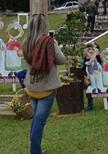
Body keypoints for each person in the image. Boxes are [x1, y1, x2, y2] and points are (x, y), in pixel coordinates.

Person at [23, 14, 67, 154]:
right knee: (39, 122)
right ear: (44, 27)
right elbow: (62, 60)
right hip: (46, 87)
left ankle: (36, 149)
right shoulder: (49, 42)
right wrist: (56, 45)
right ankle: (35, 152)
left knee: (36, 120)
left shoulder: (26, 42)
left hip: (31, 85)